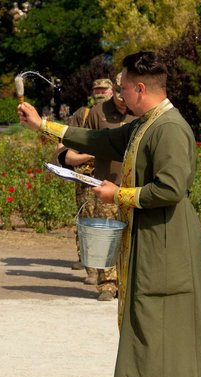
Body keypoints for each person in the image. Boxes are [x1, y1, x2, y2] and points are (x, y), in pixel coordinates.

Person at [19, 51, 201, 377]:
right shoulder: (144, 124)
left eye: (123, 87)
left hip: (169, 249)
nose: (119, 95)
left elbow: (172, 188)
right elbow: (102, 139)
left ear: (141, 88)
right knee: (149, 334)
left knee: (166, 335)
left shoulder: (170, 128)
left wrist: (118, 193)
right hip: (152, 240)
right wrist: (44, 125)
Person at [57, 74, 135, 301]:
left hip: (133, 184)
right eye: (117, 91)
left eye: (124, 91)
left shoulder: (140, 113)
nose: (121, 97)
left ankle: (128, 283)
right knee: (106, 235)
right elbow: (79, 143)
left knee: (132, 236)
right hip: (105, 182)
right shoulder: (98, 113)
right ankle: (107, 284)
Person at [61, 78, 114, 276]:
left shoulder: (118, 115)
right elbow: (67, 147)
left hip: (111, 177)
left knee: (109, 225)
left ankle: (106, 271)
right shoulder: (82, 114)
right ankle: (91, 267)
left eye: (104, 90)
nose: (100, 93)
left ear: (112, 91)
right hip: (86, 177)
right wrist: (91, 155)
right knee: (87, 221)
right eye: (97, 90)